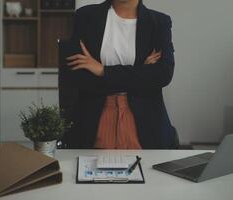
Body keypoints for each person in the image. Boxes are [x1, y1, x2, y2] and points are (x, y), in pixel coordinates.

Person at [60, 0, 176, 149]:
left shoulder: (159, 22)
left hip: (145, 121)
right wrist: (140, 72)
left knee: (145, 171)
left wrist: (102, 70)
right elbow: (78, 76)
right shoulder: (86, 16)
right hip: (93, 118)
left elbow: (163, 75)